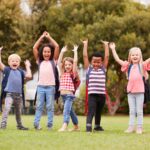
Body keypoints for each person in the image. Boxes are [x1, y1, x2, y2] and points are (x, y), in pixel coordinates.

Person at [109, 42, 150, 134]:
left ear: (140, 56)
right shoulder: (128, 65)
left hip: (140, 92)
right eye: (133, 55)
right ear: (130, 56)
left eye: (137, 55)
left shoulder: (142, 65)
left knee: (139, 111)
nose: (135, 56)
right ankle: (131, 127)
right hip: (130, 93)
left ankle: (139, 128)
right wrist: (113, 49)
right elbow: (117, 59)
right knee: (132, 111)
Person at [0, 46, 32, 130]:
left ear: (19, 63)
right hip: (9, 94)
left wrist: (28, 66)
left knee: (18, 111)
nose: (15, 62)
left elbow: (29, 75)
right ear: (9, 62)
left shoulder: (21, 71)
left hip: (19, 95)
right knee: (6, 109)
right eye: (12, 61)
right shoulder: (7, 70)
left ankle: (19, 125)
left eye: (17, 61)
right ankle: (3, 125)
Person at [33, 31, 59, 130]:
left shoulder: (54, 61)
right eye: (45, 51)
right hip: (40, 87)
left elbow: (56, 46)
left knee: (50, 107)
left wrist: (49, 37)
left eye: (48, 52)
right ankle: (36, 124)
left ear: (51, 53)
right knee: (39, 106)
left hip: (51, 87)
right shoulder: (39, 61)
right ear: (42, 53)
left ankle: (49, 125)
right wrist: (41, 37)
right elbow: (34, 48)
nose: (47, 53)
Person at [83, 39, 109, 132]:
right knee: (91, 111)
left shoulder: (103, 69)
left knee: (98, 111)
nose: (96, 64)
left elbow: (107, 56)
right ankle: (88, 127)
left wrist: (106, 45)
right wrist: (85, 44)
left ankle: (97, 126)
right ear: (91, 62)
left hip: (102, 95)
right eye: (94, 62)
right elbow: (85, 56)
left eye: (98, 62)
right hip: (92, 95)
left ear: (101, 62)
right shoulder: (89, 69)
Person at [57, 45, 79, 132]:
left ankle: (64, 125)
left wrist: (75, 51)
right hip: (63, 96)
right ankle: (76, 126)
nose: (67, 66)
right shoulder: (62, 73)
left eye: (69, 65)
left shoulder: (72, 74)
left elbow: (76, 61)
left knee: (66, 111)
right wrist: (62, 52)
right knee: (70, 112)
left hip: (69, 95)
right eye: (66, 65)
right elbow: (59, 62)